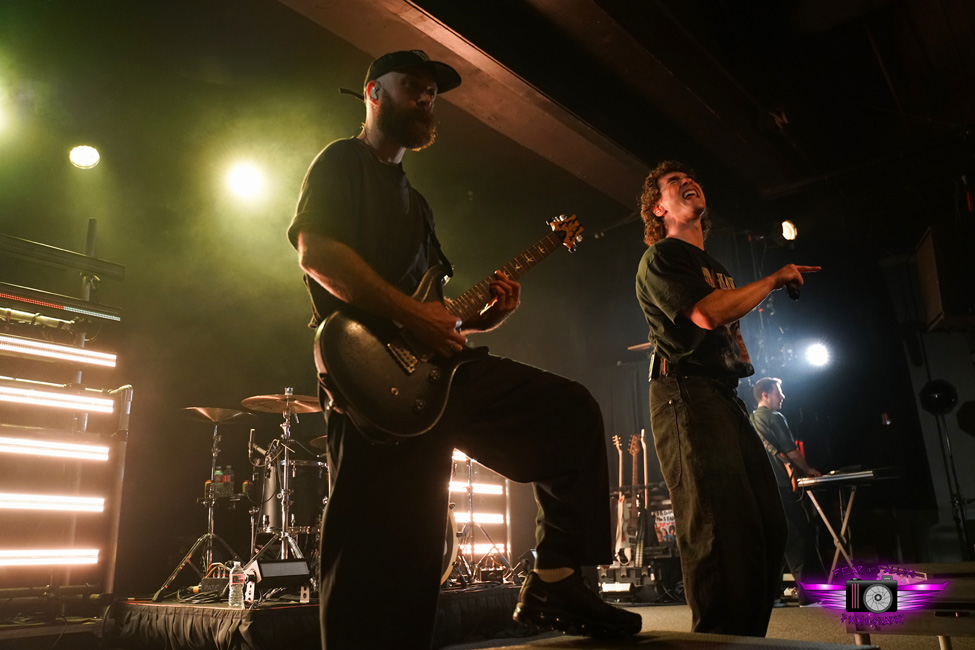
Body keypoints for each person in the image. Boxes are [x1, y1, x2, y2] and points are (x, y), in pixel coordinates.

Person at [287, 50, 641, 649]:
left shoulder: (418, 205)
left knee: (569, 412)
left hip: (438, 376)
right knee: (387, 540)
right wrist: (413, 315)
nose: (426, 98)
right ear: (373, 92)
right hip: (368, 380)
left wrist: (481, 319)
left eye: (432, 92)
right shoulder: (341, 161)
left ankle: (557, 578)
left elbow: (434, 318)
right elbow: (316, 253)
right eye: (412, 88)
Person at [634, 160, 820, 636]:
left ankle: (745, 642)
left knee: (766, 526)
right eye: (673, 183)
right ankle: (716, 642)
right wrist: (775, 279)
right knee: (717, 531)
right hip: (684, 393)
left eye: (689, 177)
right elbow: (704, 314)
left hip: (724, 394)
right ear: (659, 208)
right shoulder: (662, 256)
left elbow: (727, 328)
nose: (686, 181)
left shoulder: (714, 267)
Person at [751, 377, 825, 605]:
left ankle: (768, 597)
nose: (782, 397)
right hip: (783, 487)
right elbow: (791, 452)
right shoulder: (775, 417)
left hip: (761, 489)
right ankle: (810, 596)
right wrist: (809, 469)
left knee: (774, 542)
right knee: (799, 539)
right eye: (778, 392)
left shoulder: (750, 420)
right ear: (765, 394)